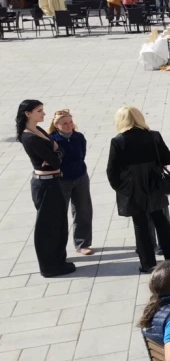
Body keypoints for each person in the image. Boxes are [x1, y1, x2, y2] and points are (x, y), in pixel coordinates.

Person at [106, 106, 170, 273]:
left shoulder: (118, 141)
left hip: (132, 187)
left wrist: (120, 187)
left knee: (140, 225)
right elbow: (167, 158)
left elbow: (112, 170)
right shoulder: (153, 136)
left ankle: (148, 263)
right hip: (153, 183)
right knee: (161, 221)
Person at [16, 100, 74, 278]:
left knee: (59, 224)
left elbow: (58, 152)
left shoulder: (39, 130)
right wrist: (55, 152)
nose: (43, 114)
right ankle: (49, 266)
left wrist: (55, 152)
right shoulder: (29, 137)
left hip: (53, 180)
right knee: (47, 226)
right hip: (45, 183)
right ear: (28, 113)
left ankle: (59, 260)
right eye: (39, 111)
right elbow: (57, 159)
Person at [50, 109, 93, 256]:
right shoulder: (52, 140)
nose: (69, 126)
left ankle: (82, 243)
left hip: (80, 177)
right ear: (56, 125)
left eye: (70, 122)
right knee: (59, 214)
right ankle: (58, 247)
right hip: (62, 180)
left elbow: (82, 154)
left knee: (84, 211)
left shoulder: (79, 137)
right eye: (64, 123)